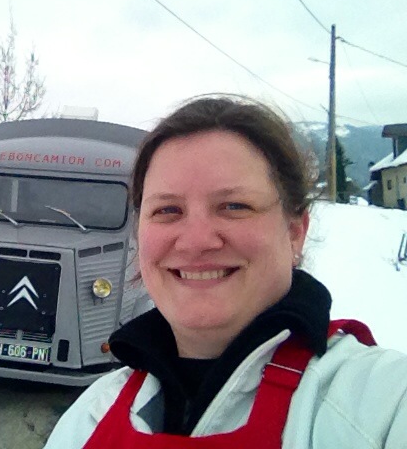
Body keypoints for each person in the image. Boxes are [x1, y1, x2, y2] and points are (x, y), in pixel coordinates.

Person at [44, 95, 407, 448]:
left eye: (234, 206)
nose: (195, 241)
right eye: (168, 210)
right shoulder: (91, 416)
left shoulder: (382, 404)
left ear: (295, 232)